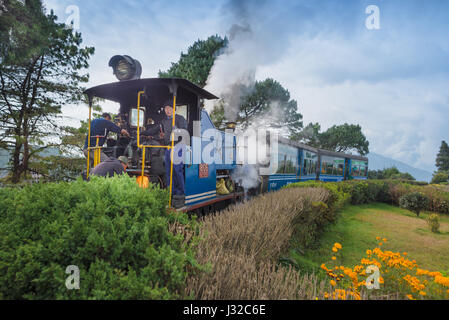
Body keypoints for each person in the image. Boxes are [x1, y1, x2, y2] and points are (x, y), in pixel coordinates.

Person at [160, 100, 187, 202]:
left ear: (174, 109)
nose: (167, 110)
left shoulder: (180, 119)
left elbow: (184, 130)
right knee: (168, 171)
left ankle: (180, 193)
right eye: (166, 108)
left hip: (178, 147)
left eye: (169, 108)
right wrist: (143, 133)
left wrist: (177, 131)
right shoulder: (163, 121)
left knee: (177, 170)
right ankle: (170, 191)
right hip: (168, 147)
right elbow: (156, 129)